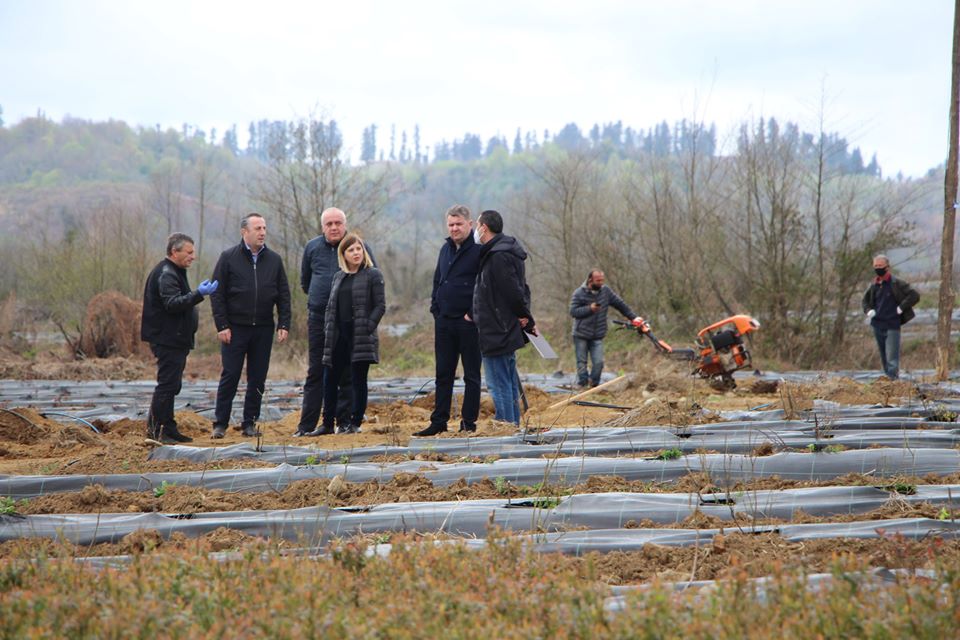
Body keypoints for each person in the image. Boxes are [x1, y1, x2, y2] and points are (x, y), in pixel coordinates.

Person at [209, 213, 291, 438]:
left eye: (264, 228)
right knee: (231, 375)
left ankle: (249, 423)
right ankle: (220, 423)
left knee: (257, 377)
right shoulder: (228, 258)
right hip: (235, 328)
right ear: (244, 232)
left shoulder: (274, 260)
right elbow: (217, 294)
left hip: (263, 328)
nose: (262, 232)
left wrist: (284, 323)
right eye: (257, 228)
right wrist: (222, 325)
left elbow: (283, 294)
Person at [295, 207, 375, 436]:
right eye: (329, 224)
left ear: (345, 224)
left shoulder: (358, 246)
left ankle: (345, 423)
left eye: (338, 223)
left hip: (349, 322)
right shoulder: (312, 248)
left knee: (347, 372)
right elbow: (305, 282)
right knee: (316, 371)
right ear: (323, 227)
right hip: (319, 318)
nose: (334, 227)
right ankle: (307, 425)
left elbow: (372, 280)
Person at [140, 233, 218, 443]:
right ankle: (157, 430)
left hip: (175, 339)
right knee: (167, 385)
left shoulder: (175, 271)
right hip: (167, 339)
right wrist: (198, 294)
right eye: (189, 252)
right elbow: (172, 303)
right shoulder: (166, 273)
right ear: (175, 252)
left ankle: (168, 426)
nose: (193, 256)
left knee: (172, 385)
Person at [415, 205, 483, 436]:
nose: (454, 228)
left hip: (468, 323)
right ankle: (439, 422)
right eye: (451, 225)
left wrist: (472, 314)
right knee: (443, 374)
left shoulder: (479, 251)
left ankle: (468, 423)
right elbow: (438, 280)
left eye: (459, 224)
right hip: (444, 321)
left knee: (471, 375)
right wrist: (435, 308)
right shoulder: (445, 249)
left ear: (470, 224)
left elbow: (484, 286)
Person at [313, 233, 385, 435]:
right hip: (338, 336)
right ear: (343, 254)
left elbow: (380, 306)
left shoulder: (373, 275)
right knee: (330, 380)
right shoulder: (338, 277)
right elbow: (331, 307)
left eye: (358, 249)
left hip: (360, 335)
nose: (356, 253)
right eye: (351, 250)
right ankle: (328, 423)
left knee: (357, 380)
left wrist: (368, 327)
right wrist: (328, 329)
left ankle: (354, 423)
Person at [470, 209, 536, 426]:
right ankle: (513, 425)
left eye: (477, 225)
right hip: (504, 327)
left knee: (498, 384)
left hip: (497, 329)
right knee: (507, 382)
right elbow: (521, 289)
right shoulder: (504, 252)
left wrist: (524, 315)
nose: (475, 230)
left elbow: (513, 292)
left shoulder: (498, 256)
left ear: (484, 228)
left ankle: (506, 426)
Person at [569, 269, 644, 388]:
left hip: (597, 334)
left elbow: (620, 305)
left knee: (598, 363)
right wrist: (589, 309)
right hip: (581, 334)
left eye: (602, 280)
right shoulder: (579, 293)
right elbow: (573, 312)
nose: (601, 283)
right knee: (582, 362)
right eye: (598, 280)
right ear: (590, 280)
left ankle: (594, 385)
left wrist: (634, 318)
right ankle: (582, 384)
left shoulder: (606, 291)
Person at [861, 254, 920, 380]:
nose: (878, 268)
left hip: (892, 324)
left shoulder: (896, 283)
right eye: (876, 266)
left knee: (892, 357)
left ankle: (893, 380)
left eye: (880, 265)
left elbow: (914, 295)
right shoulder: (874, 285)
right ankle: (887, 379)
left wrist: (901, 307)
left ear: (887, 267)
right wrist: (868, 311)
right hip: (877, 324)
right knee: (883, 356)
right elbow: (865, 301)